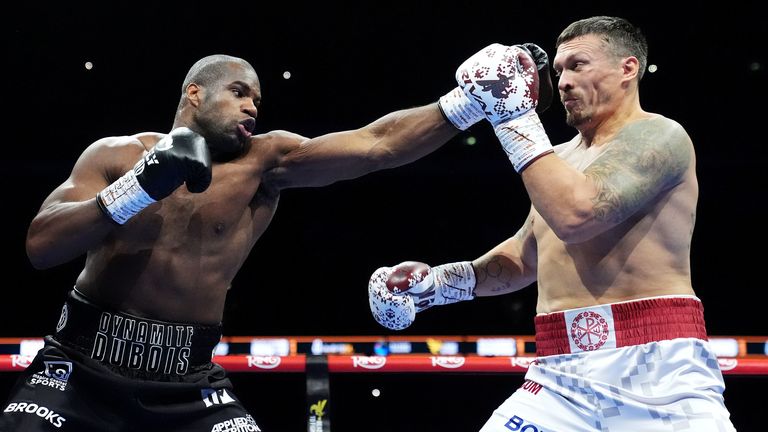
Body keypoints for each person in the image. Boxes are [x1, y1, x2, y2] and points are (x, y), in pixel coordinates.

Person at [0, 45, 554, 431]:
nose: (252, 107)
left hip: (189, 383)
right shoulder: (116, 155)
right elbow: (40, 246)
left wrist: (467, 104)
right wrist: (138, 187)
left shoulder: (266, 162)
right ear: (194, 93)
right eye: (240, 93)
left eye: (258, 101)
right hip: (80, 364)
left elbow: (376, 146)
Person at [369, 16, 736, 431]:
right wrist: (435, 286)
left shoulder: (661, 137)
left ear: (627, 69)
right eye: (559, 70)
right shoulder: (558, 161)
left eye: (577, 65)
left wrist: (511, 117)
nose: (561, 82)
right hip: (559, 375)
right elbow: (525, 258)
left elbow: (577, 216)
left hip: (659, 370)